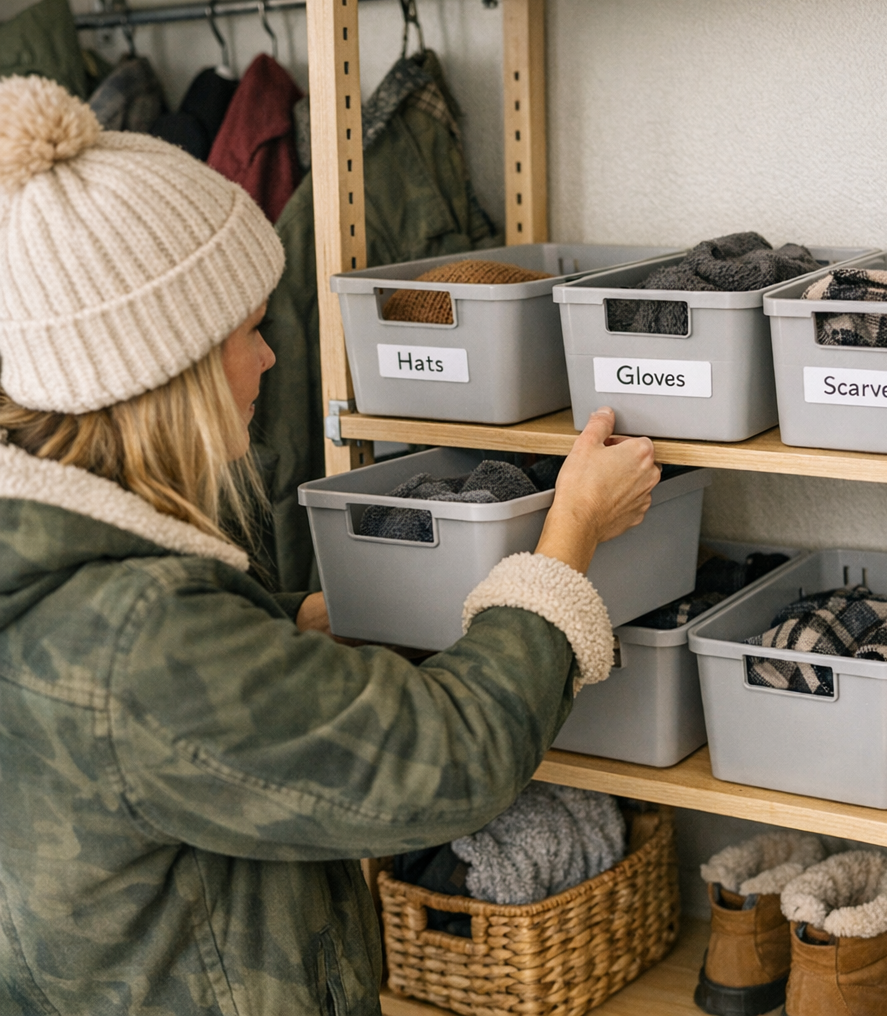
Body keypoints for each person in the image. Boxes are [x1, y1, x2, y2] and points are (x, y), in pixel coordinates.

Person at [0, 76, 660, 1015]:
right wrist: (571, 533)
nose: (272, 358)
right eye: (250, 332)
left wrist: (291, 623)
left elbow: (137, 708)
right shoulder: (138, 640)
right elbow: (455, 758)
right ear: (164, 375)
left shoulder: (50, 564)